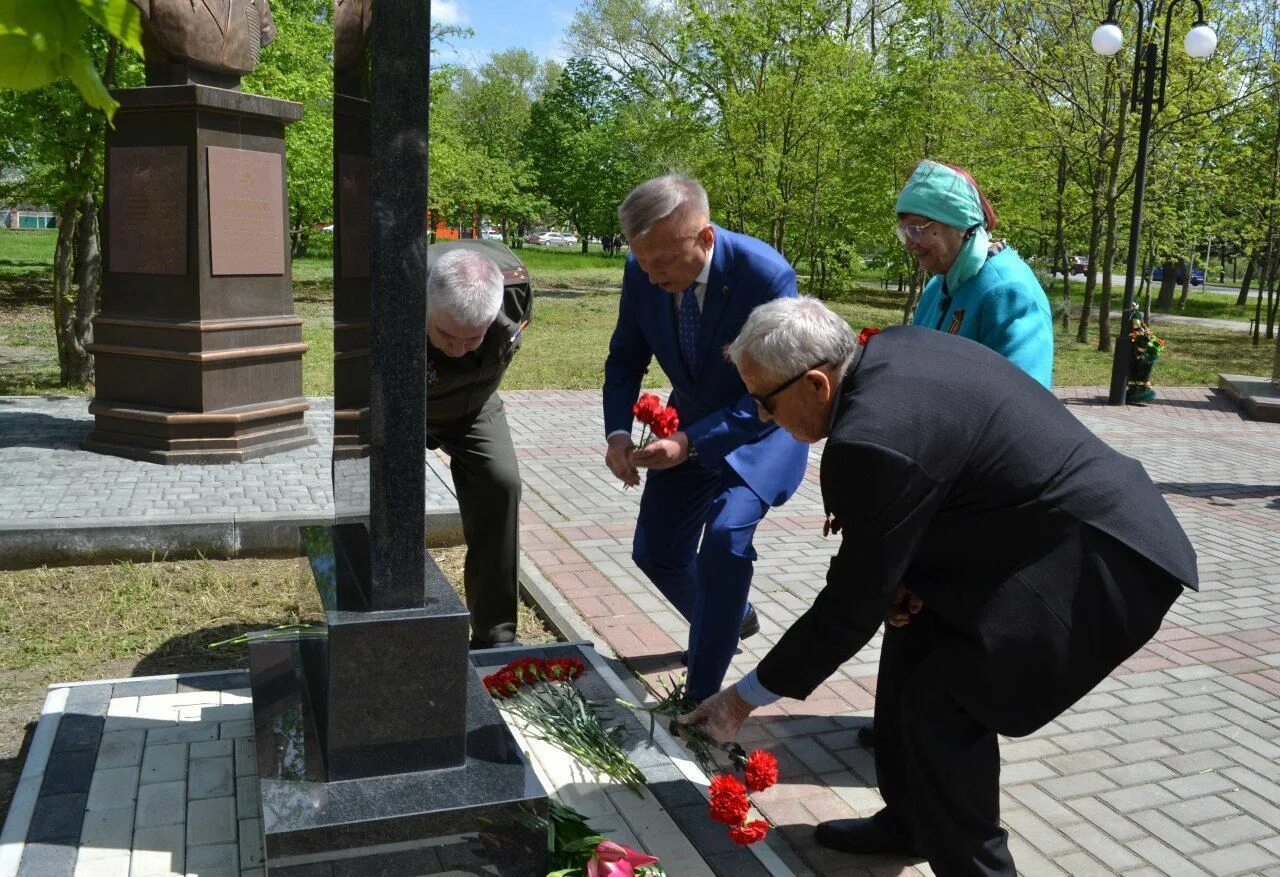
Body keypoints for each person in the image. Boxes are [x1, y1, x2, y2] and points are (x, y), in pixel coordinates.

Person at [681, 297, 1197, 875]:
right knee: (911, 641)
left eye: (765, 401)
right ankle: (911, 822)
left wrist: (741, 698)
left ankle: (978, 868)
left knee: (944, 703)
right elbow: (940, 486)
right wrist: (901, 576)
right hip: (1035, 536)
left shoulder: (871, 440)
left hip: (1101, 559)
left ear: (819, 384)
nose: (764, 417)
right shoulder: (887, 354)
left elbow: (847, 609)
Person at [602, 174, 809, 702]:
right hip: (689, 424)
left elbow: (775, 390)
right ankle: (730, 618)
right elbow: (626, 356)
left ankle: (702, 698)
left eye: (664, 260)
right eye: (642, 261)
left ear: (706, 237)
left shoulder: (764, 275)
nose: (652, 275)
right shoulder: (642, 270)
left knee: (723, 541)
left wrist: (690, 443)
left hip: (763, 426)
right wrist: (619, 433)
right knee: (657, 552)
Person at [426, 247, 531, 649]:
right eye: (446, 335)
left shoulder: (516, 290)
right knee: (380, 493)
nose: (457, 348)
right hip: (398, 405)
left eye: (472, 337)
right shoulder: (391, 294)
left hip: (473, 404)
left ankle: (495, 634)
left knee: (501, 484)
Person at [898, 159, 1054, 388]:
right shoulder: (937, 288)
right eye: (904, 232)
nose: (909, 245)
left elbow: (1023, 404)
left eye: (916, 230)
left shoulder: (1008, 291)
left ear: (957, 224)